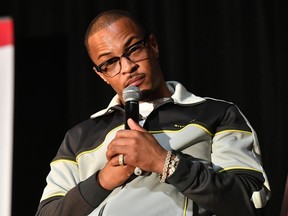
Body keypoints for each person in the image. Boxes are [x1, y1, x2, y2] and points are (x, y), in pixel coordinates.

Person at [36, 9, 271, 216]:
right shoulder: (79, 137)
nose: (127, 67)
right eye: (110, 63)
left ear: (153, 45)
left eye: (133, 49)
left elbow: (251, 201)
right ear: (101, 74)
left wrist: (165, 162)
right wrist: (102, 180)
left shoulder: (216, 114)